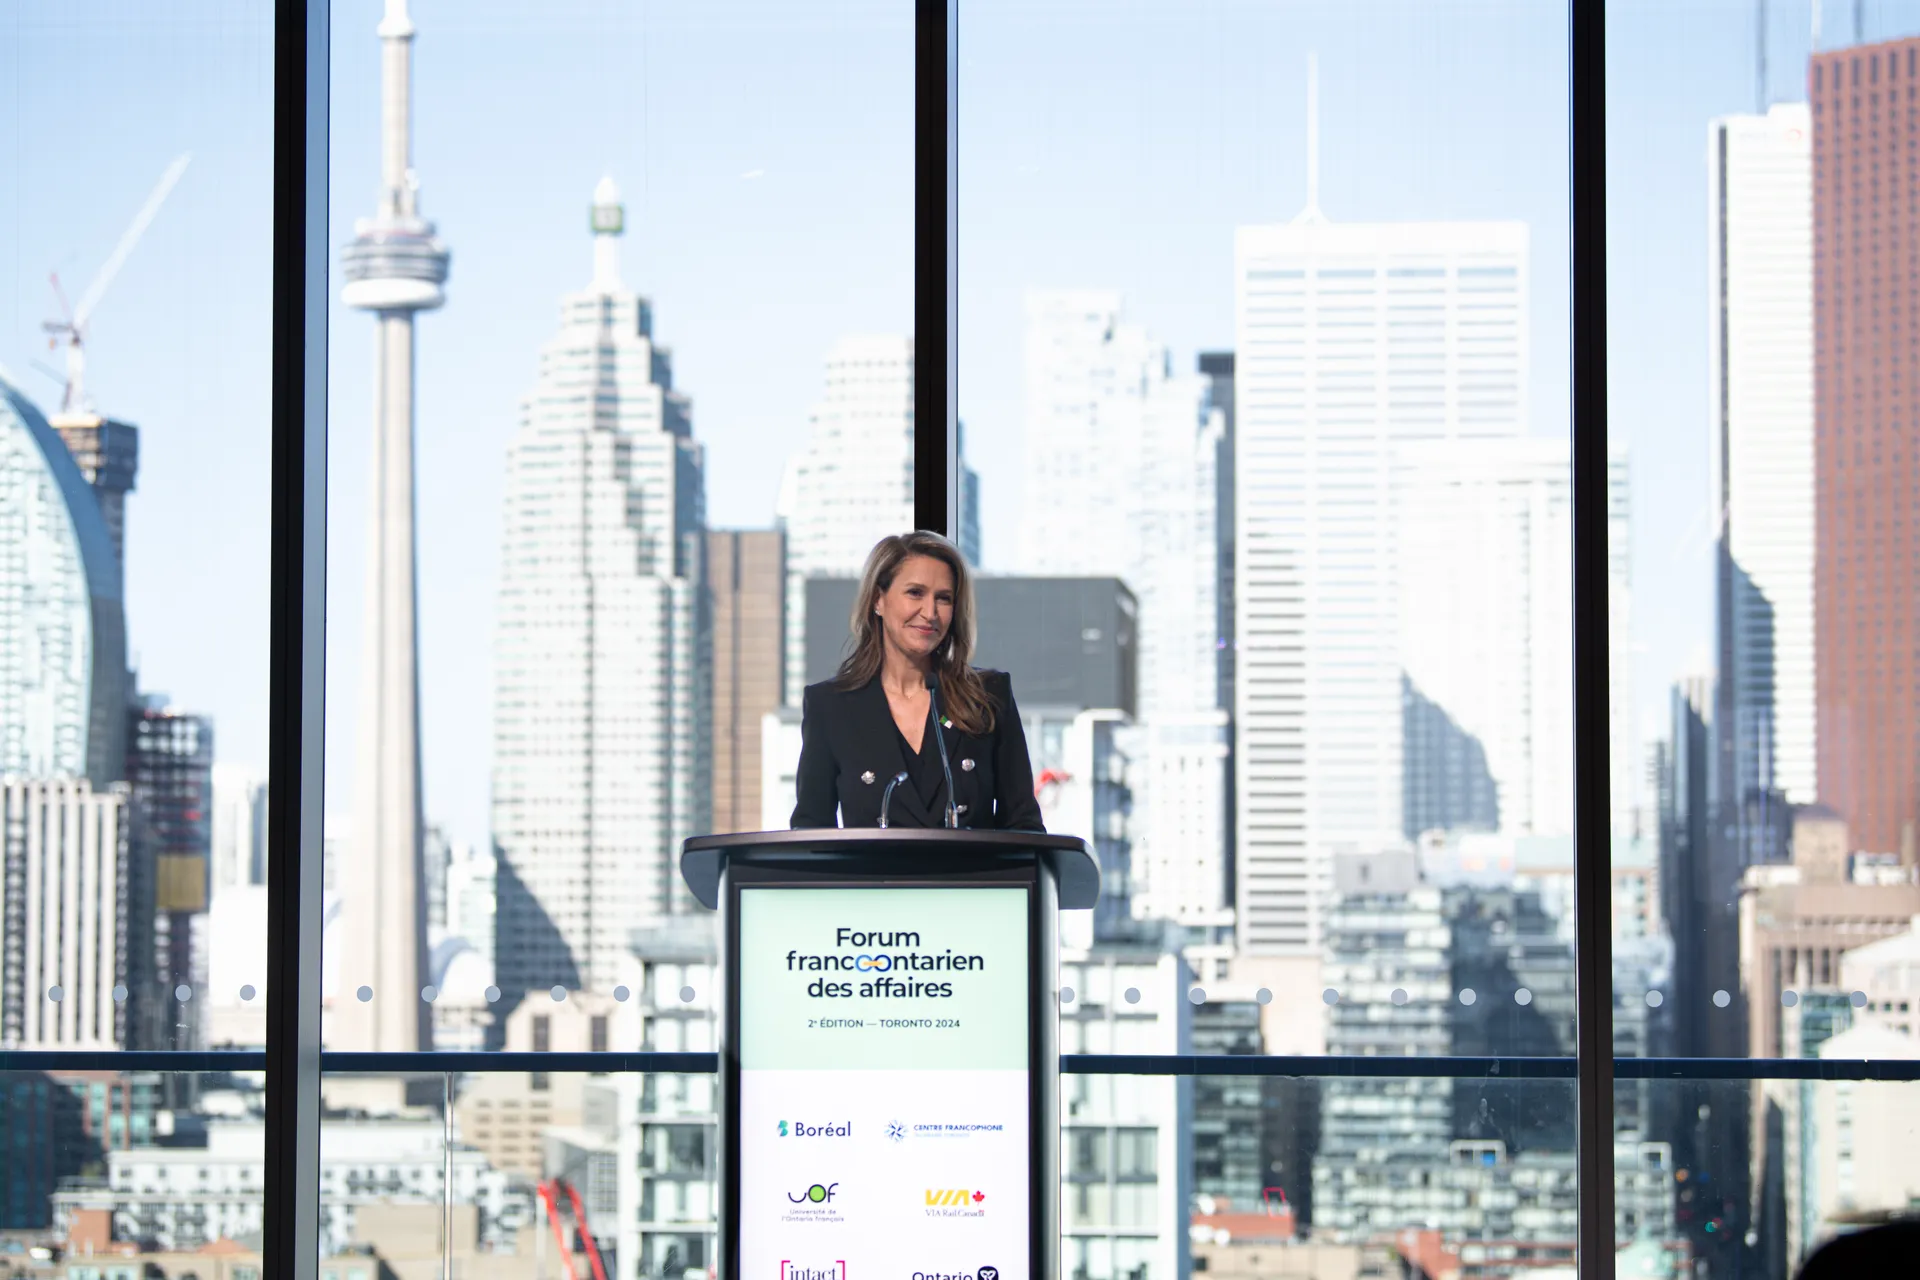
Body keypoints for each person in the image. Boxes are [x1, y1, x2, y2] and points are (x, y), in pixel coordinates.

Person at [790, 530, 1044, 831]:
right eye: (915, 593)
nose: (930, 613)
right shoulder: (831, 706)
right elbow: (811, 830)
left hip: (973, 878)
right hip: (872, 878)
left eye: (944, 598)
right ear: (878, 600)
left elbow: (1023, 825)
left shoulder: (988, 697)